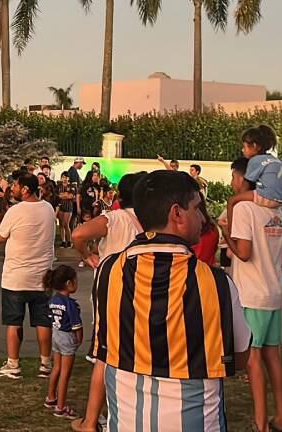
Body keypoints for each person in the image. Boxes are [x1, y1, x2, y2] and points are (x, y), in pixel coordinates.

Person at [78, 170, 250, 432]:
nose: (202, 217)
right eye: (197, 208)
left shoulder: (108, 272)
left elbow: (106, 350)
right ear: (177, 214)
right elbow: (239, 358)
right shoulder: (216, 283)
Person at [222, 157, 282, 432]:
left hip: (251, 294)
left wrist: (226, 235)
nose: (233, 183)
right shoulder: (279, 213)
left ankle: (261, 422)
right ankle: (281, 417)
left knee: (253, 360)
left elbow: (245, 253)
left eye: (235, 177)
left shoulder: (246, 210)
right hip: (273, 291)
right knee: (273, 357)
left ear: (245, 179)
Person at [0, 171, 56, 381]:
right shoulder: (48, 209)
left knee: (14, 322)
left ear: (25, 190)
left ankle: (13, 363)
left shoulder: (16, 211)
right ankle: (46, 363)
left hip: (16, 277)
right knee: (43, 322)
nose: (13, 189)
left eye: (16, 186)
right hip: (43, 276)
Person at [43, 265, 82, 420]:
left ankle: (51, 397)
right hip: (67, 337)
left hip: (56, 335)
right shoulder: (70, 304)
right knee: (65, 373)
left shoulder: (53, 300)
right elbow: (76, 325)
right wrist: (78, 339)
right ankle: (61, 407)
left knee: (57, 368)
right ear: (68, 283)